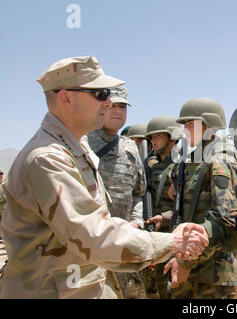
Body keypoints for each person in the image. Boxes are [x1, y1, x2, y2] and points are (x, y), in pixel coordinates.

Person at [0, 56, 208, 298]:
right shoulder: (47, 160)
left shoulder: (77, 150)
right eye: (100, 94)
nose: (109, 102)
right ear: (66, 98)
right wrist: (171, 242)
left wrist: (139, 226)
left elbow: (127, 201)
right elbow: (94, 238)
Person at [163, 97, 237, 299]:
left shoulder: (220, 159)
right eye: (185, 125)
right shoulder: (197, 158)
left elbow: (226, 221)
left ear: (209, 124)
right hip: (194, 271)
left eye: (190, 124)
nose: (185, 130)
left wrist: (185, 262)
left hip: (213, 277)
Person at [87, 87, 147, 298]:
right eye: (111, 105)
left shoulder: (131, 147)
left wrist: (137, 222)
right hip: (91, 248)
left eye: (122, 106)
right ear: (100, 108)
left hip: (124, 246)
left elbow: (140, 193)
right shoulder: (83, 143)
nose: (117, 111)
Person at [140, 115, 183, 299]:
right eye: (151, 137)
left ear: (172, 138)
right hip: (151, 234)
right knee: (150, 287)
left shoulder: (183, 165)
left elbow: (188, 206)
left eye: (158, 136)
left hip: (172, 234)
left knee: (172, 289)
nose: (153, 141)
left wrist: (164, 217)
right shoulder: (149, 164)